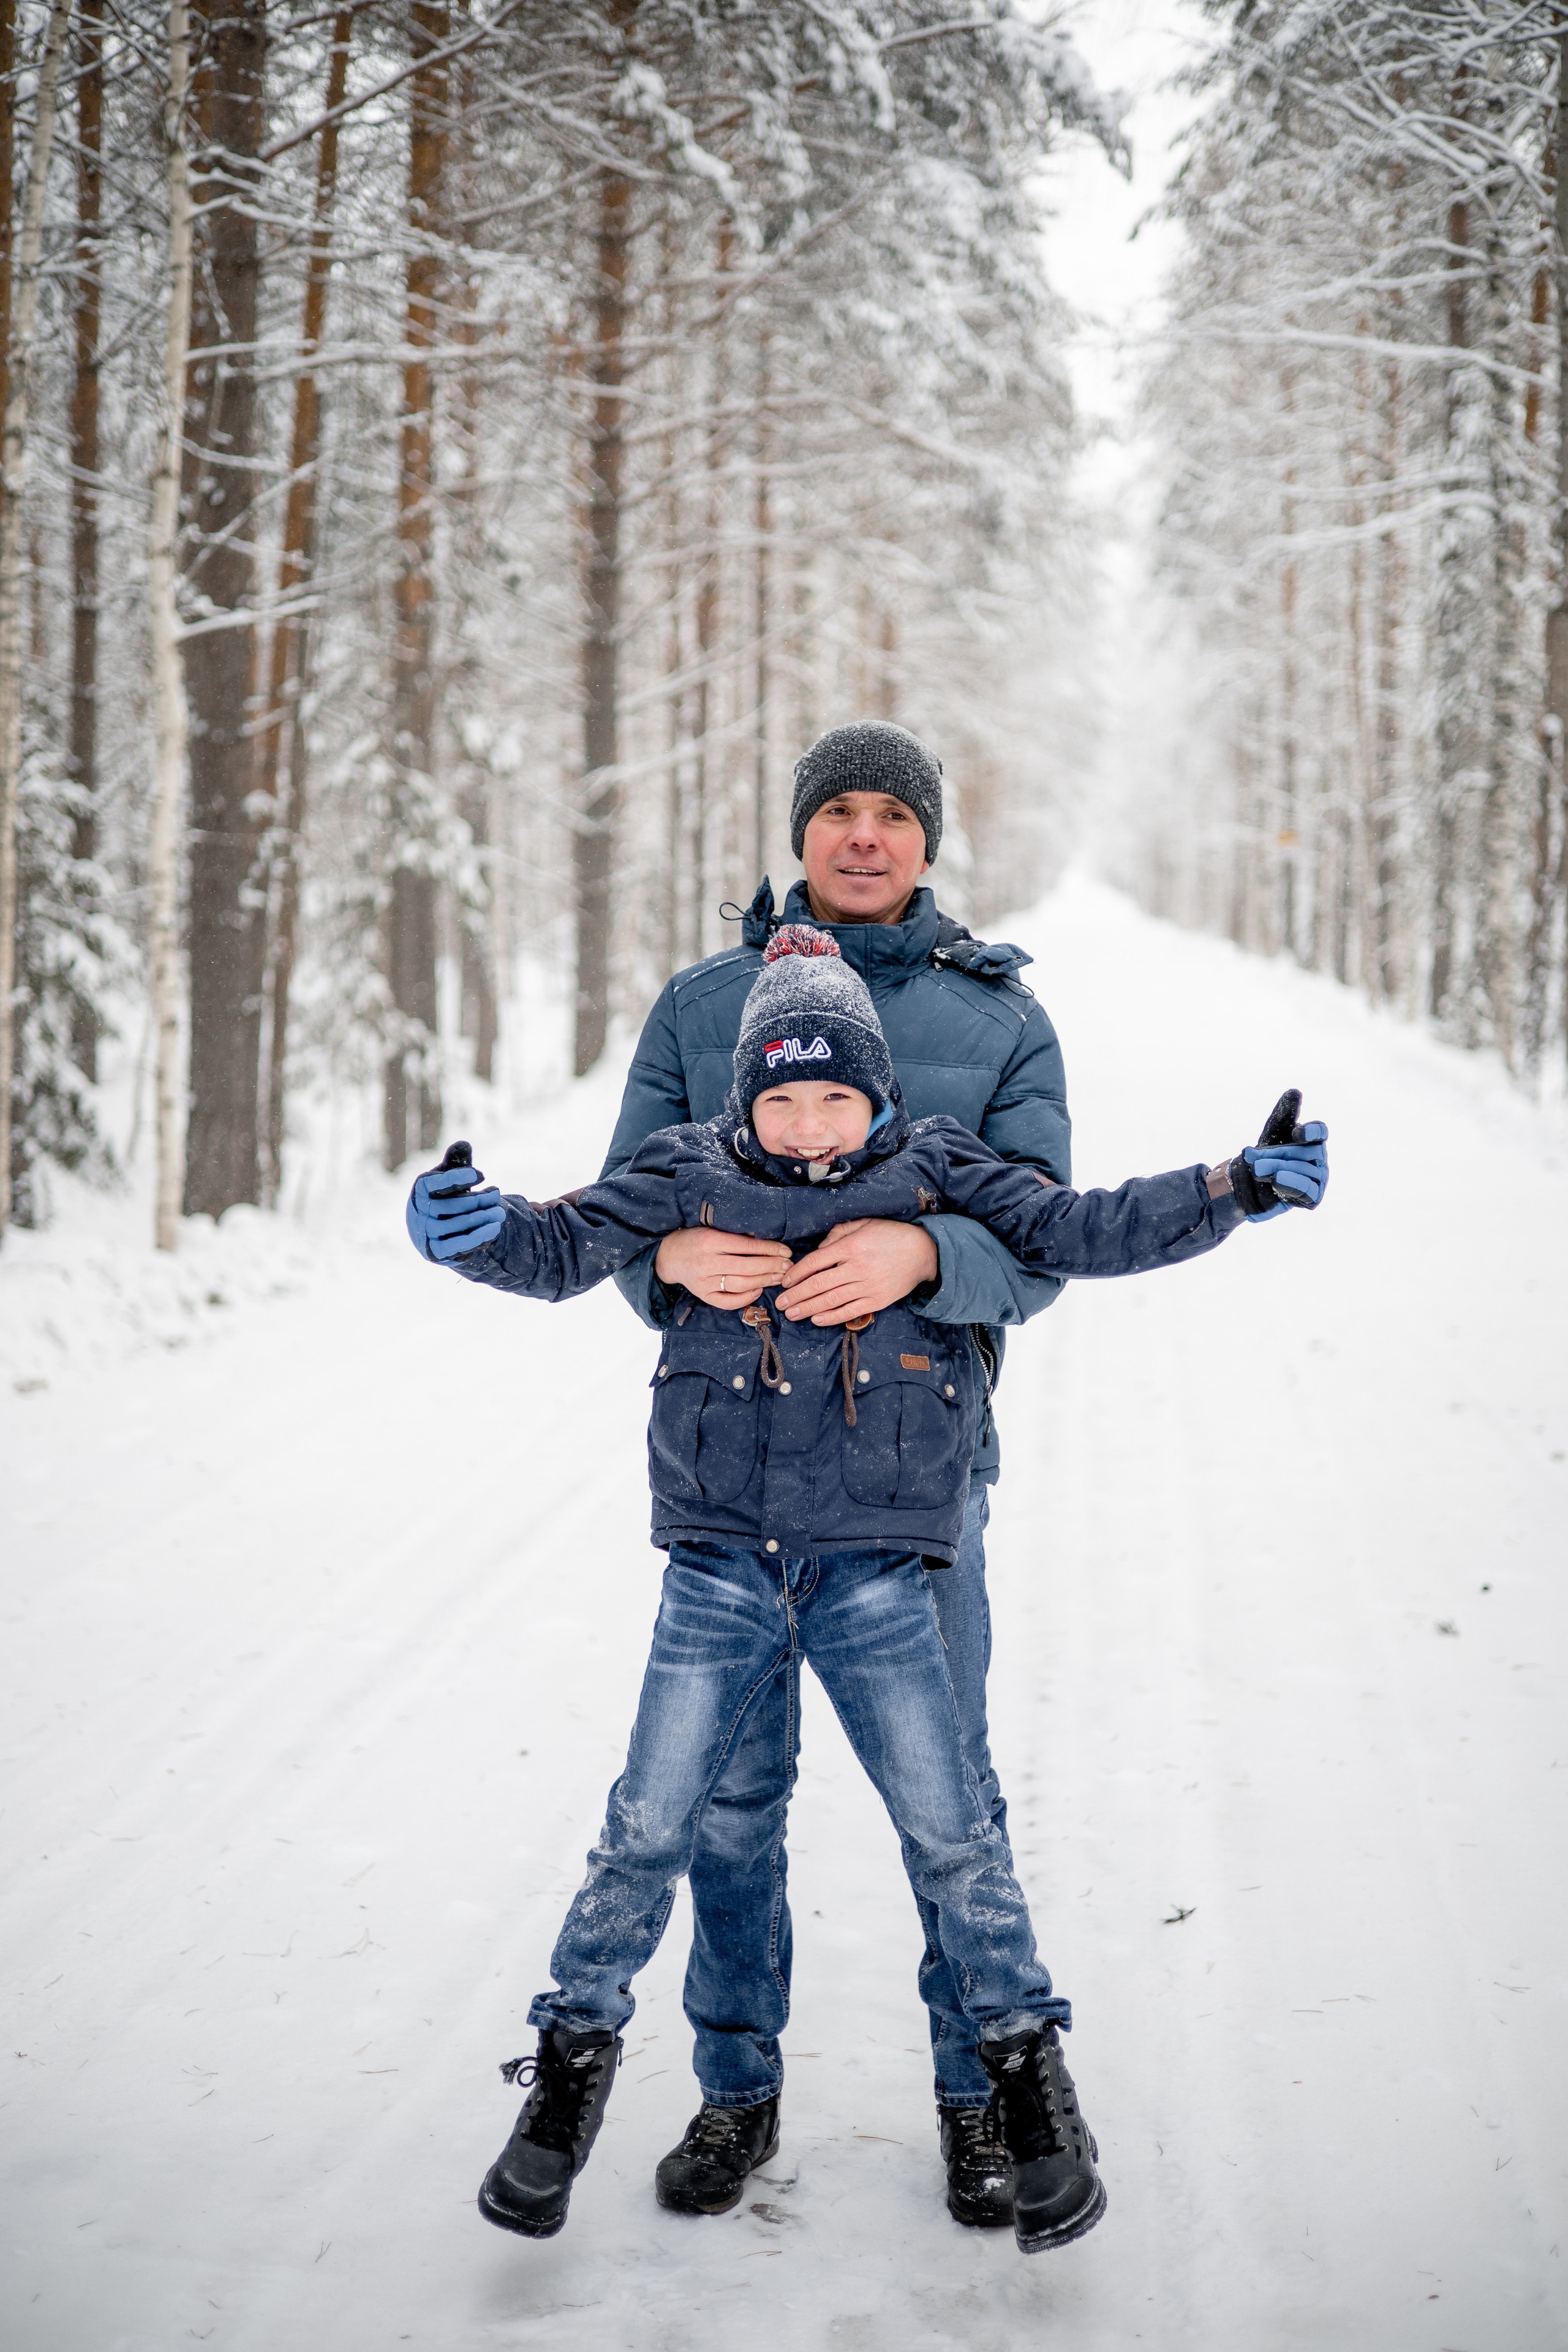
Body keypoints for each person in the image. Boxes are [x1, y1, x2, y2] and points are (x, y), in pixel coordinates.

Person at [405, 925, 1330, 2256]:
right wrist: (470, 1230)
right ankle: (566, 2078)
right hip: (720, 1570)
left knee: (953, 1832)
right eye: (778, 1097)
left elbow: (1077, 1228)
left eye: (834, 1094)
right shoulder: (684, 1170)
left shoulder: (937, 1167)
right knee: (649, 1827)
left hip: (878, 1569)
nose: (806, 1124)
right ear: (743, 1095)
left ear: (879, 1094)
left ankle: (1025, 2090)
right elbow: (557, 1246)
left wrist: (1231, 1186)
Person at [597, 720, 1074, 2230]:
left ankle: (976, 2095)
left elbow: (1043, 1243)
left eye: (892, 815)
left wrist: (926, 1255)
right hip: (731, 1493)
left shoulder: (999, 1021)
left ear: (927, 842)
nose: (863, 836)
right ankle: (733, 2090)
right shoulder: (702, 1007)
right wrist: (668, 1258)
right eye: (837, 811)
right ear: (800, 831)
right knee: (729, 1804)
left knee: (950, 1804)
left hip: (915, 1488)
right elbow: (618, 1217)